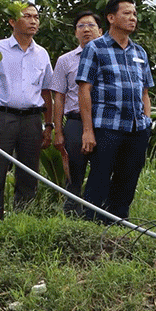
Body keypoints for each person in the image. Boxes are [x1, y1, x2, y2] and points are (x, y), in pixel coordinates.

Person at [77, 0, 154, 223]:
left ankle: (118, 224)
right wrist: (88, 130)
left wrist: (146, 122)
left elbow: (145, 92)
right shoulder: (95, 48)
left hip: (136, 128)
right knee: (99, 178)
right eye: (127, 13)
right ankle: (89, 226)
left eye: (134, 14)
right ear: (111, 18)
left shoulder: (139, 52)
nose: (133, 18)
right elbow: (84, 90)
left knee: (128, 179)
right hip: (107, 126)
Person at [0, 4, 55, 226]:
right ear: (12, 22)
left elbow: (46, 91)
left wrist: (49, 125)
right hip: (1, 117)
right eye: (27, 16)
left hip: (32, 120)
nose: (33, 21)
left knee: (28, 174)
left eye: (36, 17)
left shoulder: (41, 54)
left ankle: (23, 225)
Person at [50, 11, 101, 216]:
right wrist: (58, 131)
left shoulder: (107, 57)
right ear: (75, 33)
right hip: (75, 122)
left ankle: (98, 215)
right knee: (74, 171)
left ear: (101, 30)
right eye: (81, 26)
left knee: (102, 170)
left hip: (103, 121)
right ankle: (71, 215)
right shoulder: (65, 60)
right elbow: (59, 97)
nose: (86, 30)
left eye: (91, 25)